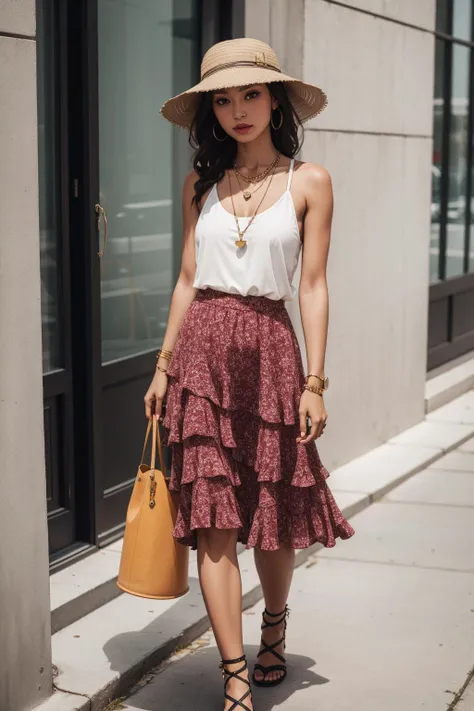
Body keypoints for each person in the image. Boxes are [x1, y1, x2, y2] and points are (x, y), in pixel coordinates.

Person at [144, 37, 355, 711]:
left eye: (251, 94)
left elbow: (314, 287)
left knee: (271, 513)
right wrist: (162, 365)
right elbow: (184, 280)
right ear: (211, 110)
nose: (238, 109)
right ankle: (234, 672)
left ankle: (274, 624)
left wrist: (315, 381)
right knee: (212, 518)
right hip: (202, 350)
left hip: (271, 350)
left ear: (275, 99)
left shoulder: (308, 181)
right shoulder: (200, 185)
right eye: (224, 98)